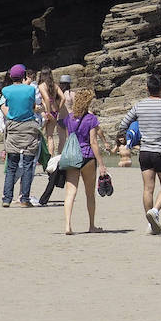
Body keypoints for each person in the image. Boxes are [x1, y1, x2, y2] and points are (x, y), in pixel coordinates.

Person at [117, 75, 161, 235]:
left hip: (145, 152)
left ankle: (150, 224)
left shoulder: (139, 106)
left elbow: (123, 124)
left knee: (148, 189)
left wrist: (124, 137)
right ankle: (155, 211)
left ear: (147, 88)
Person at [61, 87, 105, 235]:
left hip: (73, 157)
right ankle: (91, 225)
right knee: (89, 194)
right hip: (87, 156)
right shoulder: (91, 119)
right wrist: (102, 163)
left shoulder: (69, 118)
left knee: (70, 192)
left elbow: (69, 139)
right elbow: (93, 141)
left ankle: (68, 226)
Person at [0, 64, 42, 208]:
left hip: (13, 127)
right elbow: (34, 106)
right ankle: (24, 198)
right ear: (24, 76)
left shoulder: (6, 90)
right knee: (29, 164)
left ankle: (7, 198)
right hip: (29, 127)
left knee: (12, 165)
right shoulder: (30, 89)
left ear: (11, 76)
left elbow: (5, 105)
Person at [38, 68, 66, 154]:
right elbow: (63, 98)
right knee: (50, 136)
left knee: (39, 134)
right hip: (55, 111)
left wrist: (48, 112)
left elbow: (46, 98)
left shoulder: (42, 86)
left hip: (47, 112)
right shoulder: (55, 85)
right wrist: (59, 109)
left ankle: (47, 156)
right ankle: (51, 157)